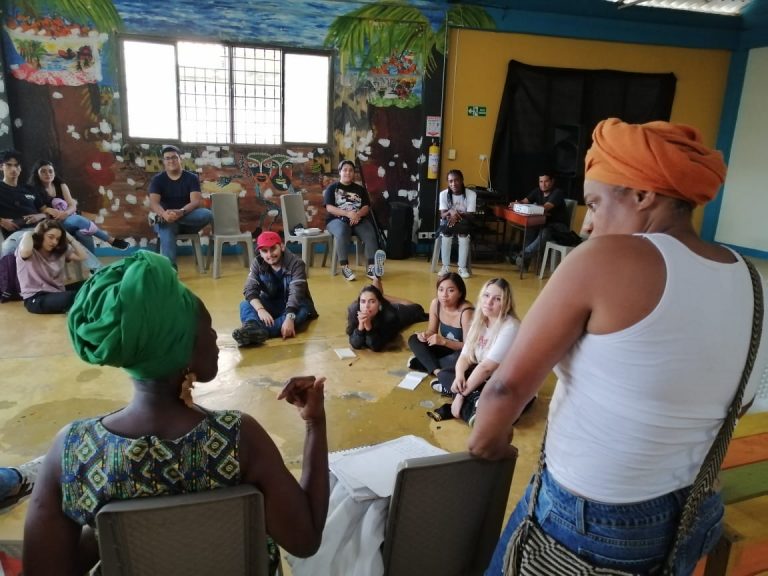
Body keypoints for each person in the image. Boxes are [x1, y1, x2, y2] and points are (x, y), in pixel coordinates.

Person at [471, 118, 768, 575]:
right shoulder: (753, 280)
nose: (588, 225)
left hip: (593, 524)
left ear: (642, 195)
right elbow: (739, 402)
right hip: (693, 511)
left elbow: (505, 390)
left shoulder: (606, 258)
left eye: (594, 202)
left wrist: (490, 447)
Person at [22, 250, 329, 576]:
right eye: (207, 329)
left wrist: (116, 532)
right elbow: (304, 539)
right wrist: (315, 423)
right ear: (182, 349)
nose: (215, 336)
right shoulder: (237, 437)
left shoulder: (73, 449)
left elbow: (44, 569)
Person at [427, 278, 521, 426]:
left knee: (497, 397)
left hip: (507, 382)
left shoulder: (510, 326)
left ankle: (471, 404)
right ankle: (475, 403)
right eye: (486, 295)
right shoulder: (480, 320)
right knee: (446, 374)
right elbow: (465, 355)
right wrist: (459, 376)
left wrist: (460, 395)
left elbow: (487, 367)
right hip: (484, 378)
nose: (489, 302)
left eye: (497, 299)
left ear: (506, 303)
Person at [233, 230, 318, 346]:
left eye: (273, 248)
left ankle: (254, 331)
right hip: (271, 302)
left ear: (282, 246)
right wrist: (260, 310)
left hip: (295, 305)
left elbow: (296, 293)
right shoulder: (257, 263)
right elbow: (250, 289)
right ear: (260, 252)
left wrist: (289, 318)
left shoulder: (296, 264)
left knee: (300, 314)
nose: (269, 254)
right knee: (245, 304)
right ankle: (253, 327)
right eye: (264, 251)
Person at [28, 159, 129, 252]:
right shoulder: (34, 190)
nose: (48, 174)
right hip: (52, 224)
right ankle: (111, 240)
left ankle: (94, 269)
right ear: (37, 174)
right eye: (43, 171)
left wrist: (65, 213)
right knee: (78, 219)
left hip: (68, 219)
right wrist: (55, 213)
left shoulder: (61, 185)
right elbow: (45, 210)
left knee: (83, 233)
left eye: (50, 171)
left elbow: (72, 206)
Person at [148, 145, 213, 268]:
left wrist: (180, 212)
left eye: (174, 157)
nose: (171, 161)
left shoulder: (191, 178)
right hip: (166, 220)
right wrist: (164, 214)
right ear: (164, 161)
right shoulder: (157, 180)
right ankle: (170, 271)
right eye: (167, 158)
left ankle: (163, 219)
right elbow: (154, 203)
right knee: (166, 226)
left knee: (207, 214)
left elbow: (195, 202)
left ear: (180, 159)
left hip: (188, 220)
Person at [323, 160, 386, 281]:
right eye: (345, 170)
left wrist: (357, 215)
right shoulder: (332, 188)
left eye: (351, 170)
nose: (348, 172)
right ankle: (345, 267)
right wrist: (347, 214)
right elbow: (329, 207)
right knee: (342, 231)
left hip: (357, 219)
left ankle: (372, 267)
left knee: (370, 233)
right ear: (340, 172)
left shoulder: (360, 189)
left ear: (354, 173)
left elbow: (366, 207)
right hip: (336, 220)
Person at [407, 272, 473, 382]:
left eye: (451, 290)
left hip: (462, 352)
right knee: (414, 339)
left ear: (460, 293)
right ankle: (437, 371)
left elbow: (469, 347)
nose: (444, 295)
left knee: (457, 360)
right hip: (446, 348)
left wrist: (444, 342)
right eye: (441, 289)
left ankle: (425, 363)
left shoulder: (466, 312)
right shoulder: (436, 304)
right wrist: (425, 335)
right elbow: (432, 330)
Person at [16, 220, 90, 314]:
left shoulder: (59, 251)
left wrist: (70, 239)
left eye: (58, 239)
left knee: (89, 283)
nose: (54, 242)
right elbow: (25, 252)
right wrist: (28, 234)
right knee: (72, 297)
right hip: (36, 298)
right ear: (41, 234)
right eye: (50, 237)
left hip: (56, 291)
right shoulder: (29, 250)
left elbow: (83, 256)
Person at [346, 276, 427, 352]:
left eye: (372, 301)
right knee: (376, 296)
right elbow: (355, 344)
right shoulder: (354, 310)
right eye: (363, 301)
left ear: (379, 304)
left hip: (398, 313)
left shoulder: (389, 316)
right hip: (382, 305)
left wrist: (369, 328)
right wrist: (360, 327)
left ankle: (381, 296)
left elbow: (375, 346)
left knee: (418, 309)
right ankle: (379, 292)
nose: (366, 306)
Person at [509, 171, 570, 270]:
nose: (543, 184)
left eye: (546, 181)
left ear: (552, 181)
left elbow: (545, 208)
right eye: (541, 181)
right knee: (530, 228)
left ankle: (522, 255)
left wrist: (532, 207)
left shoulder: (557, 193)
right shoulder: (537, 191)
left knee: (545, 232)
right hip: (545, 224)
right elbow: (525, 201)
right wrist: (517, 203)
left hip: (560, 227)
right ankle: (524, 264)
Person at [0, 149, 49, 257]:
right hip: (18, 233)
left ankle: (95, 269)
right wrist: (2, 221)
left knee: (74, 239)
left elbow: (46, 211)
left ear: (20, 168)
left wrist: (39, 216)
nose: (13, 169)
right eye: (9, 165)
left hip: (41, 228)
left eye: (17, 165)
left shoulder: (29, 189)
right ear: (1, 167)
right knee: (6, 249)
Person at [437, 169, 476, 279]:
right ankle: (445, 266)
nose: (453, 184)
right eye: (450, 181)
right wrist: (450, 212)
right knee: (446, 233)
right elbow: (442, 215)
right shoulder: (443, 194)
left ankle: (462, 267)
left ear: (462, 180)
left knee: (463, 234)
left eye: (456, 180)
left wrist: (457, 214)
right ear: (448, 183)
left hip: (464, 222)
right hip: (448, 223)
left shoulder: (471, 194)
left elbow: (471, 215)